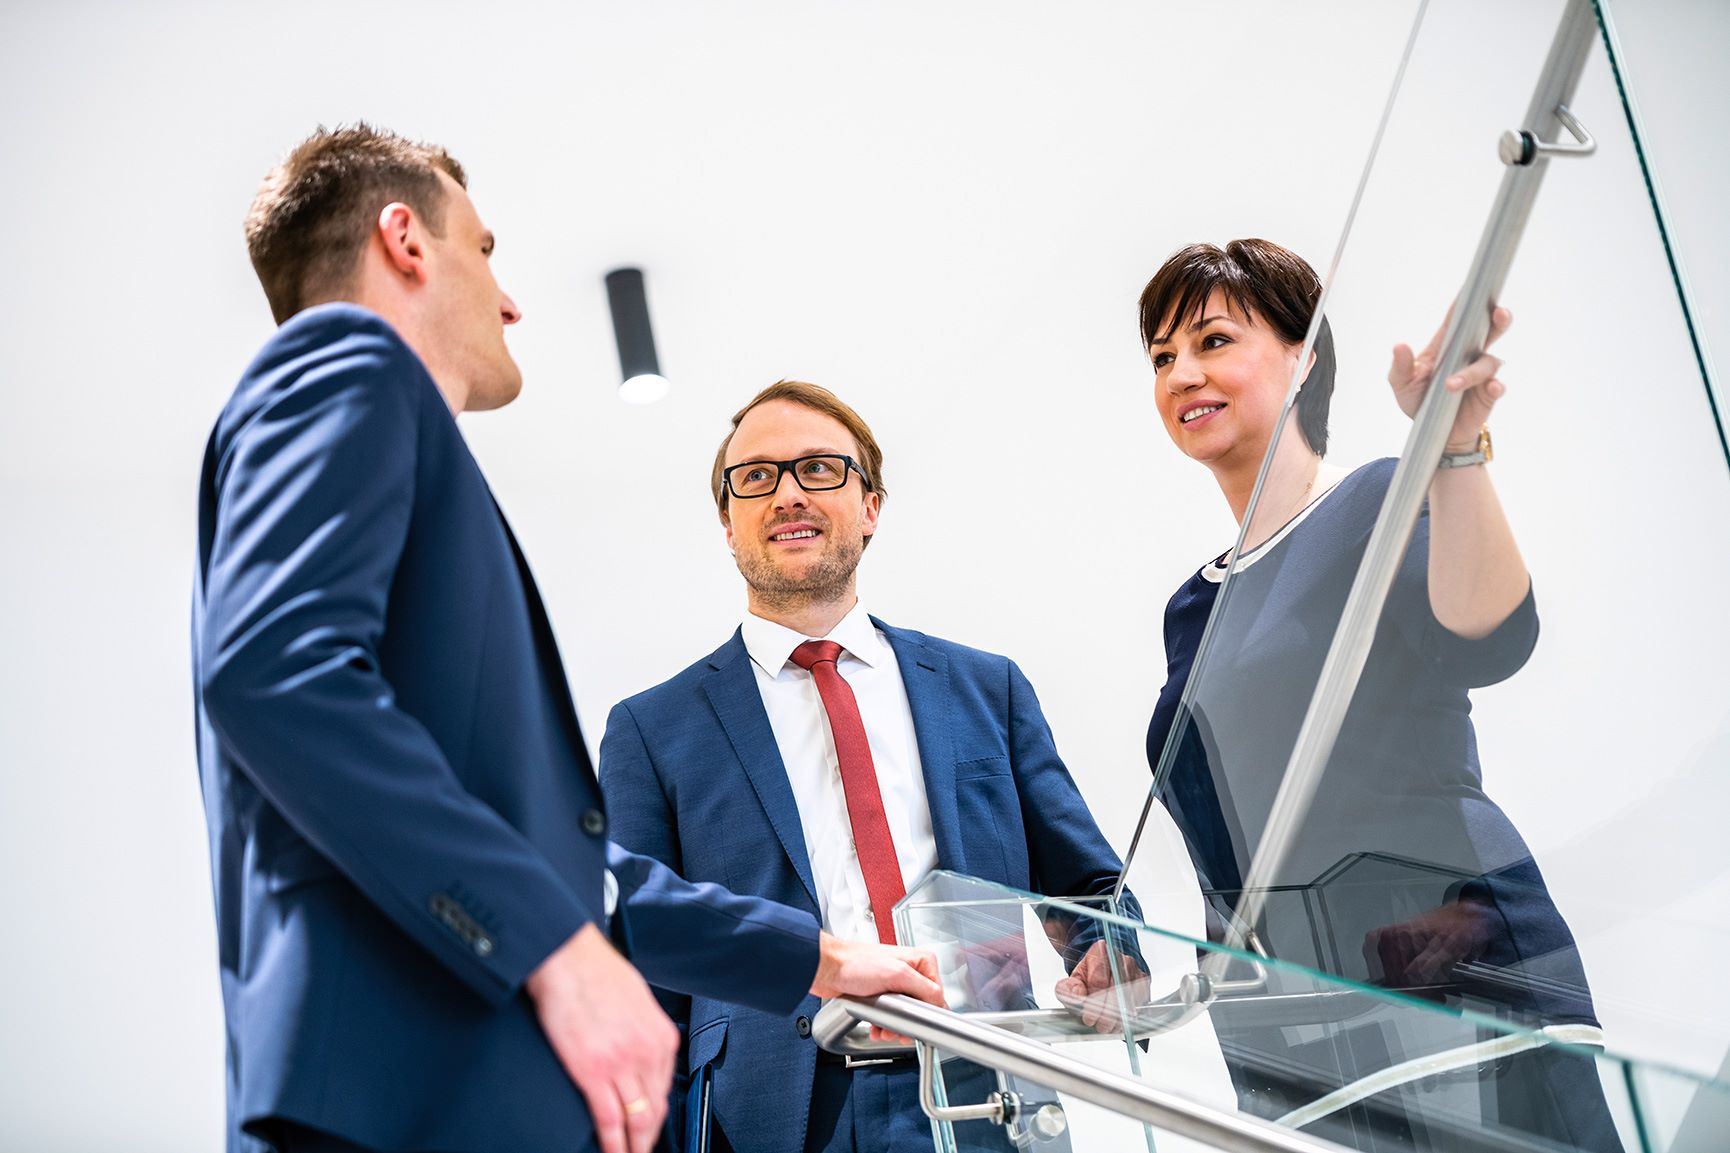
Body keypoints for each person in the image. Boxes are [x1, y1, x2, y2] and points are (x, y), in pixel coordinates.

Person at [192, 125, 944, 1153]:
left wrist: (819, 958)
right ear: (405, 241)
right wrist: (554, 945)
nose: (508, 301)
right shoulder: (347, 363)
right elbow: (275, 675)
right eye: (484, 250)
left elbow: (563, 869)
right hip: (395, 1104)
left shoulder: (381, 424)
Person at [1137, 239, 1620, 1151]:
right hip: (1291, 1030)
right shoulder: (1193, 605)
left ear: (1303, 355)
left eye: (1212, 341)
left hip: (1452, 978)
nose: (1182, 374)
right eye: (1162, 357)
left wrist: (1454, 450)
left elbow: (1487, 633)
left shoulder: (1378, 500)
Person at [598, 381, 1140, 1153]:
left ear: (871, 507)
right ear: (727, 521)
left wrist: (1110, 953)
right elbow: (635, 964)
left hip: (984, 1091)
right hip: (767, 1117)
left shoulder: (987, 689)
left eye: (819, 468)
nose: (788, 493)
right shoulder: (651, 729)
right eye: (756, 476)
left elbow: (1087, 884)